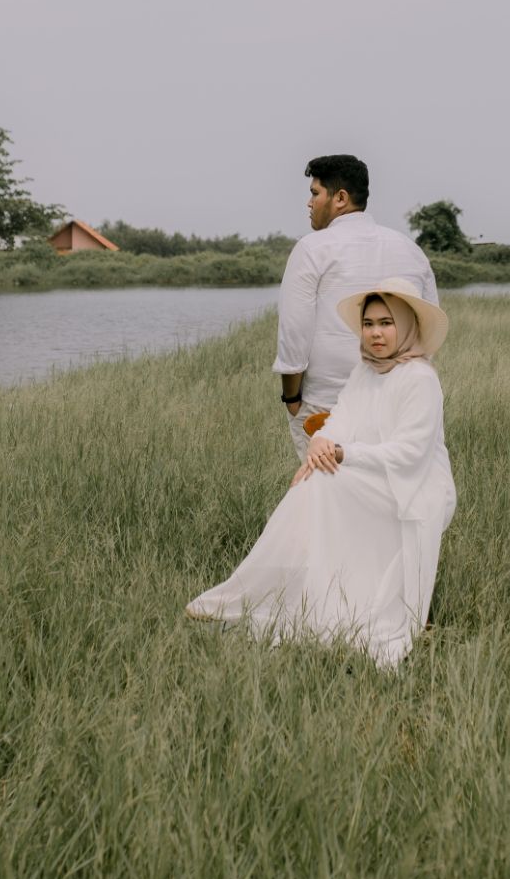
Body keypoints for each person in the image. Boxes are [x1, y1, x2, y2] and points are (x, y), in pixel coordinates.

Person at [187, 279, 456, 669]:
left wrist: (343, 453)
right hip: (374, 476)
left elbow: (410, 453)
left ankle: (331, 602)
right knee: (314, 478)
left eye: (386, 323)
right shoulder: (366, 371)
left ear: (406, 325)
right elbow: (340, 418)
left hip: (418, 487)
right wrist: (319, 445)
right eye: (368, 324)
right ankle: (289, 594)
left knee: (330, 481)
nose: (376, 333)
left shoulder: (420, 378)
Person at [274, 154, 438, 461]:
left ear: (340, 198)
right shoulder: (411, 250)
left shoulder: (312, 248)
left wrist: (292, 397)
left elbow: (294, 331)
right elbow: (427, 331)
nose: (309, 203)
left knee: (328, 487)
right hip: (397, 402)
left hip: (327, 405)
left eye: (315, 193)